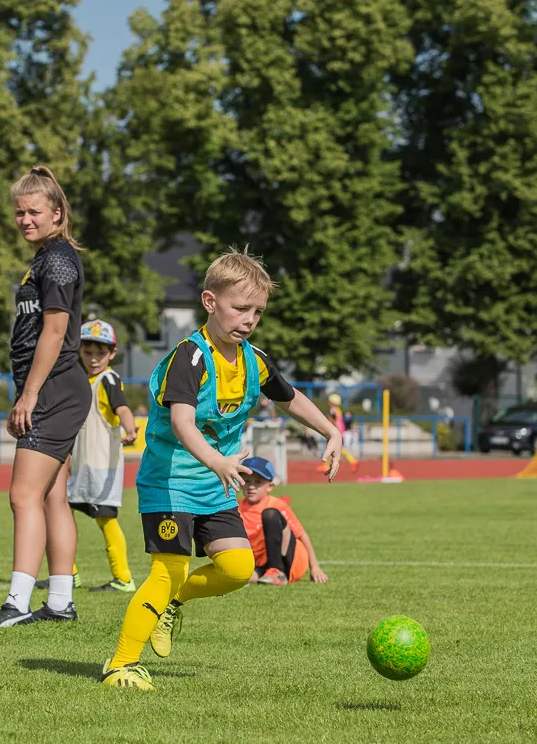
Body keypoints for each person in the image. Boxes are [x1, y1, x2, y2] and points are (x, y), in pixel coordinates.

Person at [100, 250, 343, 691]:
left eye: (258, 312)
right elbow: (182, 422)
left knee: (236, 569)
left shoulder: (254, 359)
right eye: (240, 308)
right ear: (210, 302)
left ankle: (171, 605)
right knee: (167, 570)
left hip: (215, 485)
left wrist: (330, 431)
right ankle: (119, 666)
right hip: (171, 482)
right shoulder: (190, 358)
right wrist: (217, 461)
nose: (249, 320)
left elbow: (289, 398)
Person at [0, 166, 91, 628]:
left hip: (55, 388)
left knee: (23, 495)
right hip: (58, 387)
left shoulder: (57, 259)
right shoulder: (45, 258)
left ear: (57, 214)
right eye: (19, 212)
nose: (25, 219)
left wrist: (29, 395)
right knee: (52, 497)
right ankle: (59, 603)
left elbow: (55, 332)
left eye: (34, 211)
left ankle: (17, 603)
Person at [40, 319, 139, 593]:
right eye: (88, 352)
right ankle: (67, 574)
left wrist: (131, 429)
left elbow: (122, 408)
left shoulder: (108, 380)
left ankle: (123, 578)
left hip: (100, 470)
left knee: (105, 520)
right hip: (82, 468)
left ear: (112, 353)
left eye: (100, 353)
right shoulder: (84, 382)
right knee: (59, 512)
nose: (94, 359)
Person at [236, 456, 328, 586]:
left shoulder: (276, 504)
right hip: (259, 562)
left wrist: (315, 568)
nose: (251, 486)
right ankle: (264, 574)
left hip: (286, 561)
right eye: (247, 481)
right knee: (237, 576)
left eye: (258, 482)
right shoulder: (237, 507)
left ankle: (277, 571)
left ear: (270, 486)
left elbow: (302, 535)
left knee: (270, 514)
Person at [327, 393, 360, 473]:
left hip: (336, 431)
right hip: (339, 431)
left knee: (333, 448)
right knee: (332, 448)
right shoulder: (337, 410)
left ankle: (353, 460)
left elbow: (334, 421)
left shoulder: (333, 410)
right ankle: (326, 465)